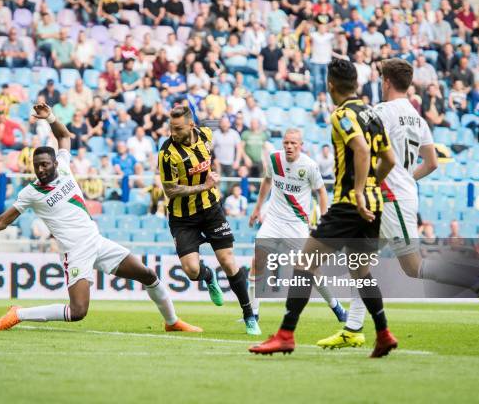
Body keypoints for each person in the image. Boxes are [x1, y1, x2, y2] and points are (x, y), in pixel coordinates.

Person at [0, 102, 200, 333]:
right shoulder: (31, 192)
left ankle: (172, 321)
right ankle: (19, 314)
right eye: (36, 165)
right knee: (78, 312)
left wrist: (51, 117)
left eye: (45, 164)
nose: (40, 169)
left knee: (148, 275)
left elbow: (64, 136)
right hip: (75, 252)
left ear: (54, 163)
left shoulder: (64, 166)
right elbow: (1, 222)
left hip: (97, 242)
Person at [318, 59, 479, 350]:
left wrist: (390, 181)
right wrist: (407, 178)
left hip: (390, 197)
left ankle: (478, 279)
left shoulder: (380, 112)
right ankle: (353, 328)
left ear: (386, 82)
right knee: (358, 261)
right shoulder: (418, 117)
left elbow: (363, 149)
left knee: (412, 266)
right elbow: (433, 162)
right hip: (399, 194)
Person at [249, 58, 397, 358]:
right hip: (374, 205)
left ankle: (286, 334)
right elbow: (389, 159)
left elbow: (362, 148)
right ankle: (383, 333)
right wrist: (369, 188)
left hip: (347, 205)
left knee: (304, 265)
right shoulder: (372, 113)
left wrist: (356, 192)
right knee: (360, 271)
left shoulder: (341, 115)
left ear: (330, 85)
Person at [158, 105, 260, 335]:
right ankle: (207, 276)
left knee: (228, 260)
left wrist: (210, 177)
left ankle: (249, 316)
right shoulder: (167, 154)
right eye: (171, 128)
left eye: (178, 128)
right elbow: (170, 190)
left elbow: (206, 162)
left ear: (191, 125)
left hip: (211, 209)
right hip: (182, 217)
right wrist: (203, 185)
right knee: (192, 270)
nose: (173, 133)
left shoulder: (206, 135)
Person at [247, 129, 346, 322]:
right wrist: (258, 208)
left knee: (311, 269)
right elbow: (267, 181)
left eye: (293, 143)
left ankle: (337, 307)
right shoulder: (275, 159)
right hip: (273, 221)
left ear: (301, 145)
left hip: (296, 225)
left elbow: (322, 193)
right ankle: (253, 314)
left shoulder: (309, 166)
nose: (289, 146)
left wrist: (323, 221)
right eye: (286, 143)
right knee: (257, 261)